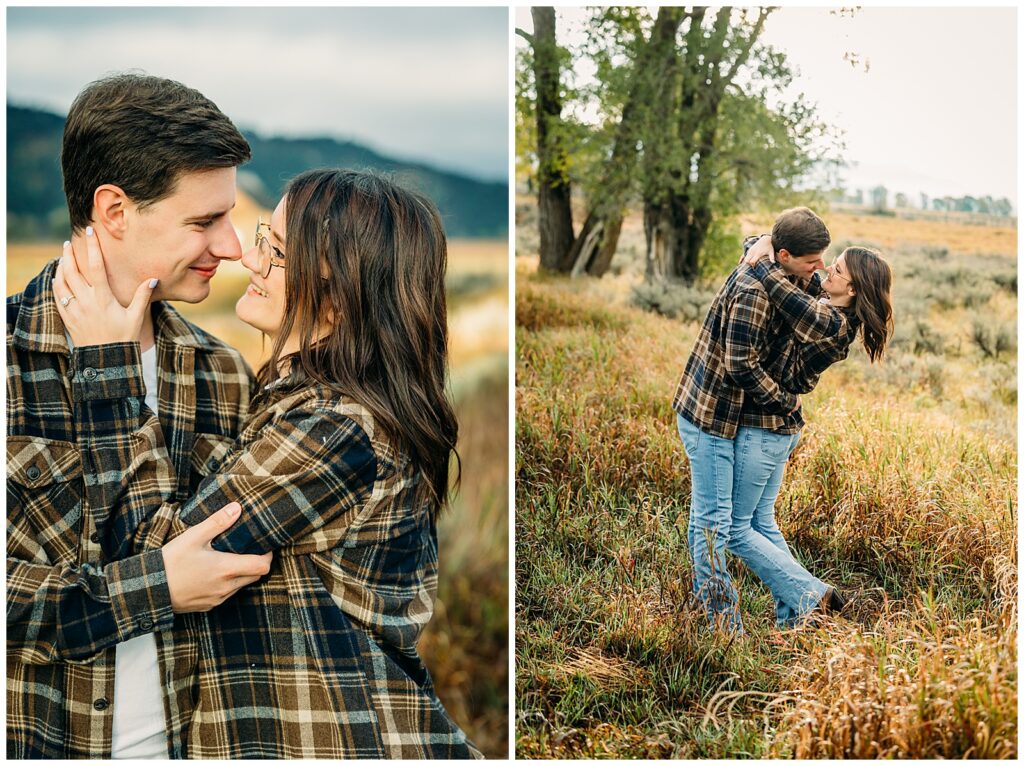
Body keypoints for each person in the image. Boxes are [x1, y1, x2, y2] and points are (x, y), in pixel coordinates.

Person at [53, 169, 480, 758]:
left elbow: (154, 555)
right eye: (265, 237)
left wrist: (108, 369)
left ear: (336, 292)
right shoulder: (306, 404)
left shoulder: (335, 432)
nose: (249, 259)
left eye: (276, 252)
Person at [7, 73, 273, 759]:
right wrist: (155, 589)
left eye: (229, 216)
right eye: (204, 221)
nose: (234, 247)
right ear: (115, 211)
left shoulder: (223, 376)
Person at [671, 207, 892, 633]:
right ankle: (793, 618)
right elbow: (782, 266)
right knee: (754, 522)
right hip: (725, 416)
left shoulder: (826, 316)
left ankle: (763, 613)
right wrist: (760, 243)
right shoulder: (797, 286)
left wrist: (764, 255)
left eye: (833, 267)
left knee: (725, 527)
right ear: (789, 255)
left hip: (762, 424)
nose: (822, 270)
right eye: (818, 262)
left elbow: (744, 361)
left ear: (852, 287)